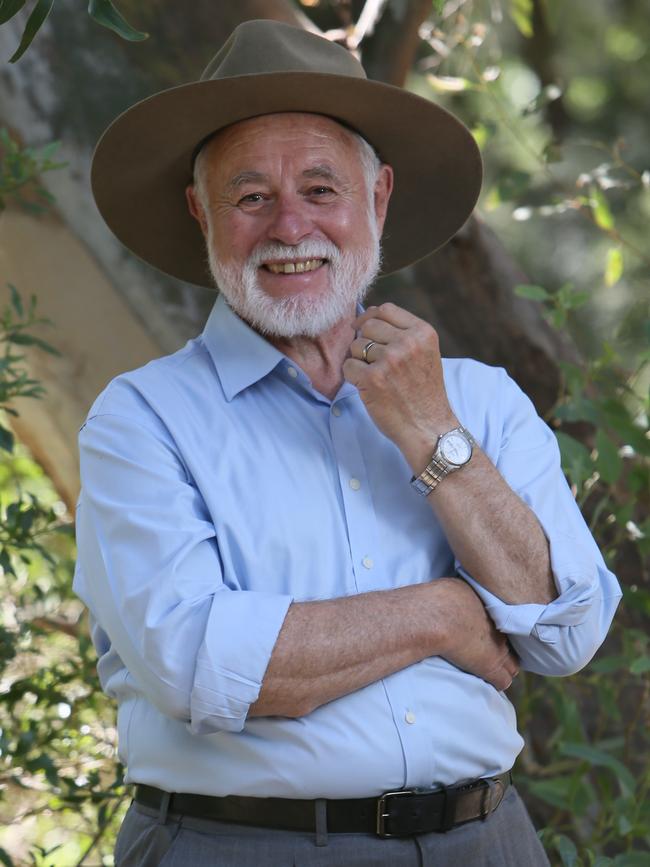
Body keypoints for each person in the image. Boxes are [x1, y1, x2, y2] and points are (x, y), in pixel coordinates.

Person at [74, 18, 622, 867]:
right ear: (201, 213)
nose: (291, 226)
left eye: (322, 189)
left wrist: (431, 432)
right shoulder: (141, 418)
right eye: (252, 196)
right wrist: (444, 612)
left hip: (489, 842)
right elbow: (198, 663)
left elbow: (565, 628)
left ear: (379, 198)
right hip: (241, 848)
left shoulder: (477, 398)